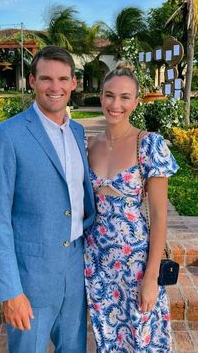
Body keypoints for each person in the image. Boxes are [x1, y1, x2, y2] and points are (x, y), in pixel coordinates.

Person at [0, 45, 95, 353]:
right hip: (29, 279)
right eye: (46, 78)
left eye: (62, 79)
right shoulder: (5, 136)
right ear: (32, 81)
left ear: (73, 82)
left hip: (75, 271)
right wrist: (10, 291)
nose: (54, 87)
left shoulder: (78, 132)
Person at [84, 61, 178, 352]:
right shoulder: (88, 145)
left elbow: (160, 217)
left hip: (136, 263)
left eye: (125, 97)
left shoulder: (149, 145)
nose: (116, 104)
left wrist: (151, 278)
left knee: (142, 337)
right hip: (97, 262)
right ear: (101, 97)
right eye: (110, 95)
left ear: (136, 102)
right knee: (108, 337)